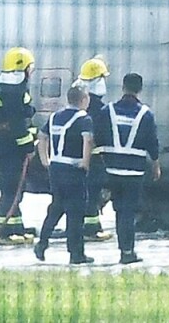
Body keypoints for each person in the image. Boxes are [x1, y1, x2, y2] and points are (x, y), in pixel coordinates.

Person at [94, 73, 161, 264]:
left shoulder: (108, 111)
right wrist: (155, 164)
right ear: (139, 90)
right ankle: (127, 252)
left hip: (112, 170)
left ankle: (123, 248)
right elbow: (152, 142)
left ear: (123, 87)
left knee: (119, 211)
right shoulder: (146, 114)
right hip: (134, 171)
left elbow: (97, 135)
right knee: (129, 212)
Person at [34, 86, 95, 264]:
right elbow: (88, 140)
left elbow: (42, 136)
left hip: (56, 168)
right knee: (75, 212)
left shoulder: (54, 117)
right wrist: (85, 162)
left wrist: (45, 159)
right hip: (74, 169)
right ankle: (76, 253)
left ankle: (42, 242)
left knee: (56, 207)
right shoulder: (84, 119)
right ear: (83, 99)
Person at [0, 47, 38, 245]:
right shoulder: (15, 90)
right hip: (12, 147)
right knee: (11, 187)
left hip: (6, 144)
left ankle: (15, 227)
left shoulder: (6, 86)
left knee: (15, 188)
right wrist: (28, 146)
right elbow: (18, 124)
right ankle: (4, 232)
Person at [73, 56, 112, 241]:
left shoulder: (76, 104)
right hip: (94, 158)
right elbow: (104, 136)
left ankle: (87, 226)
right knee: (92, 191)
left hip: (74, 157)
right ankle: (91, 228)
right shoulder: (100, 109)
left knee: (82, 192)